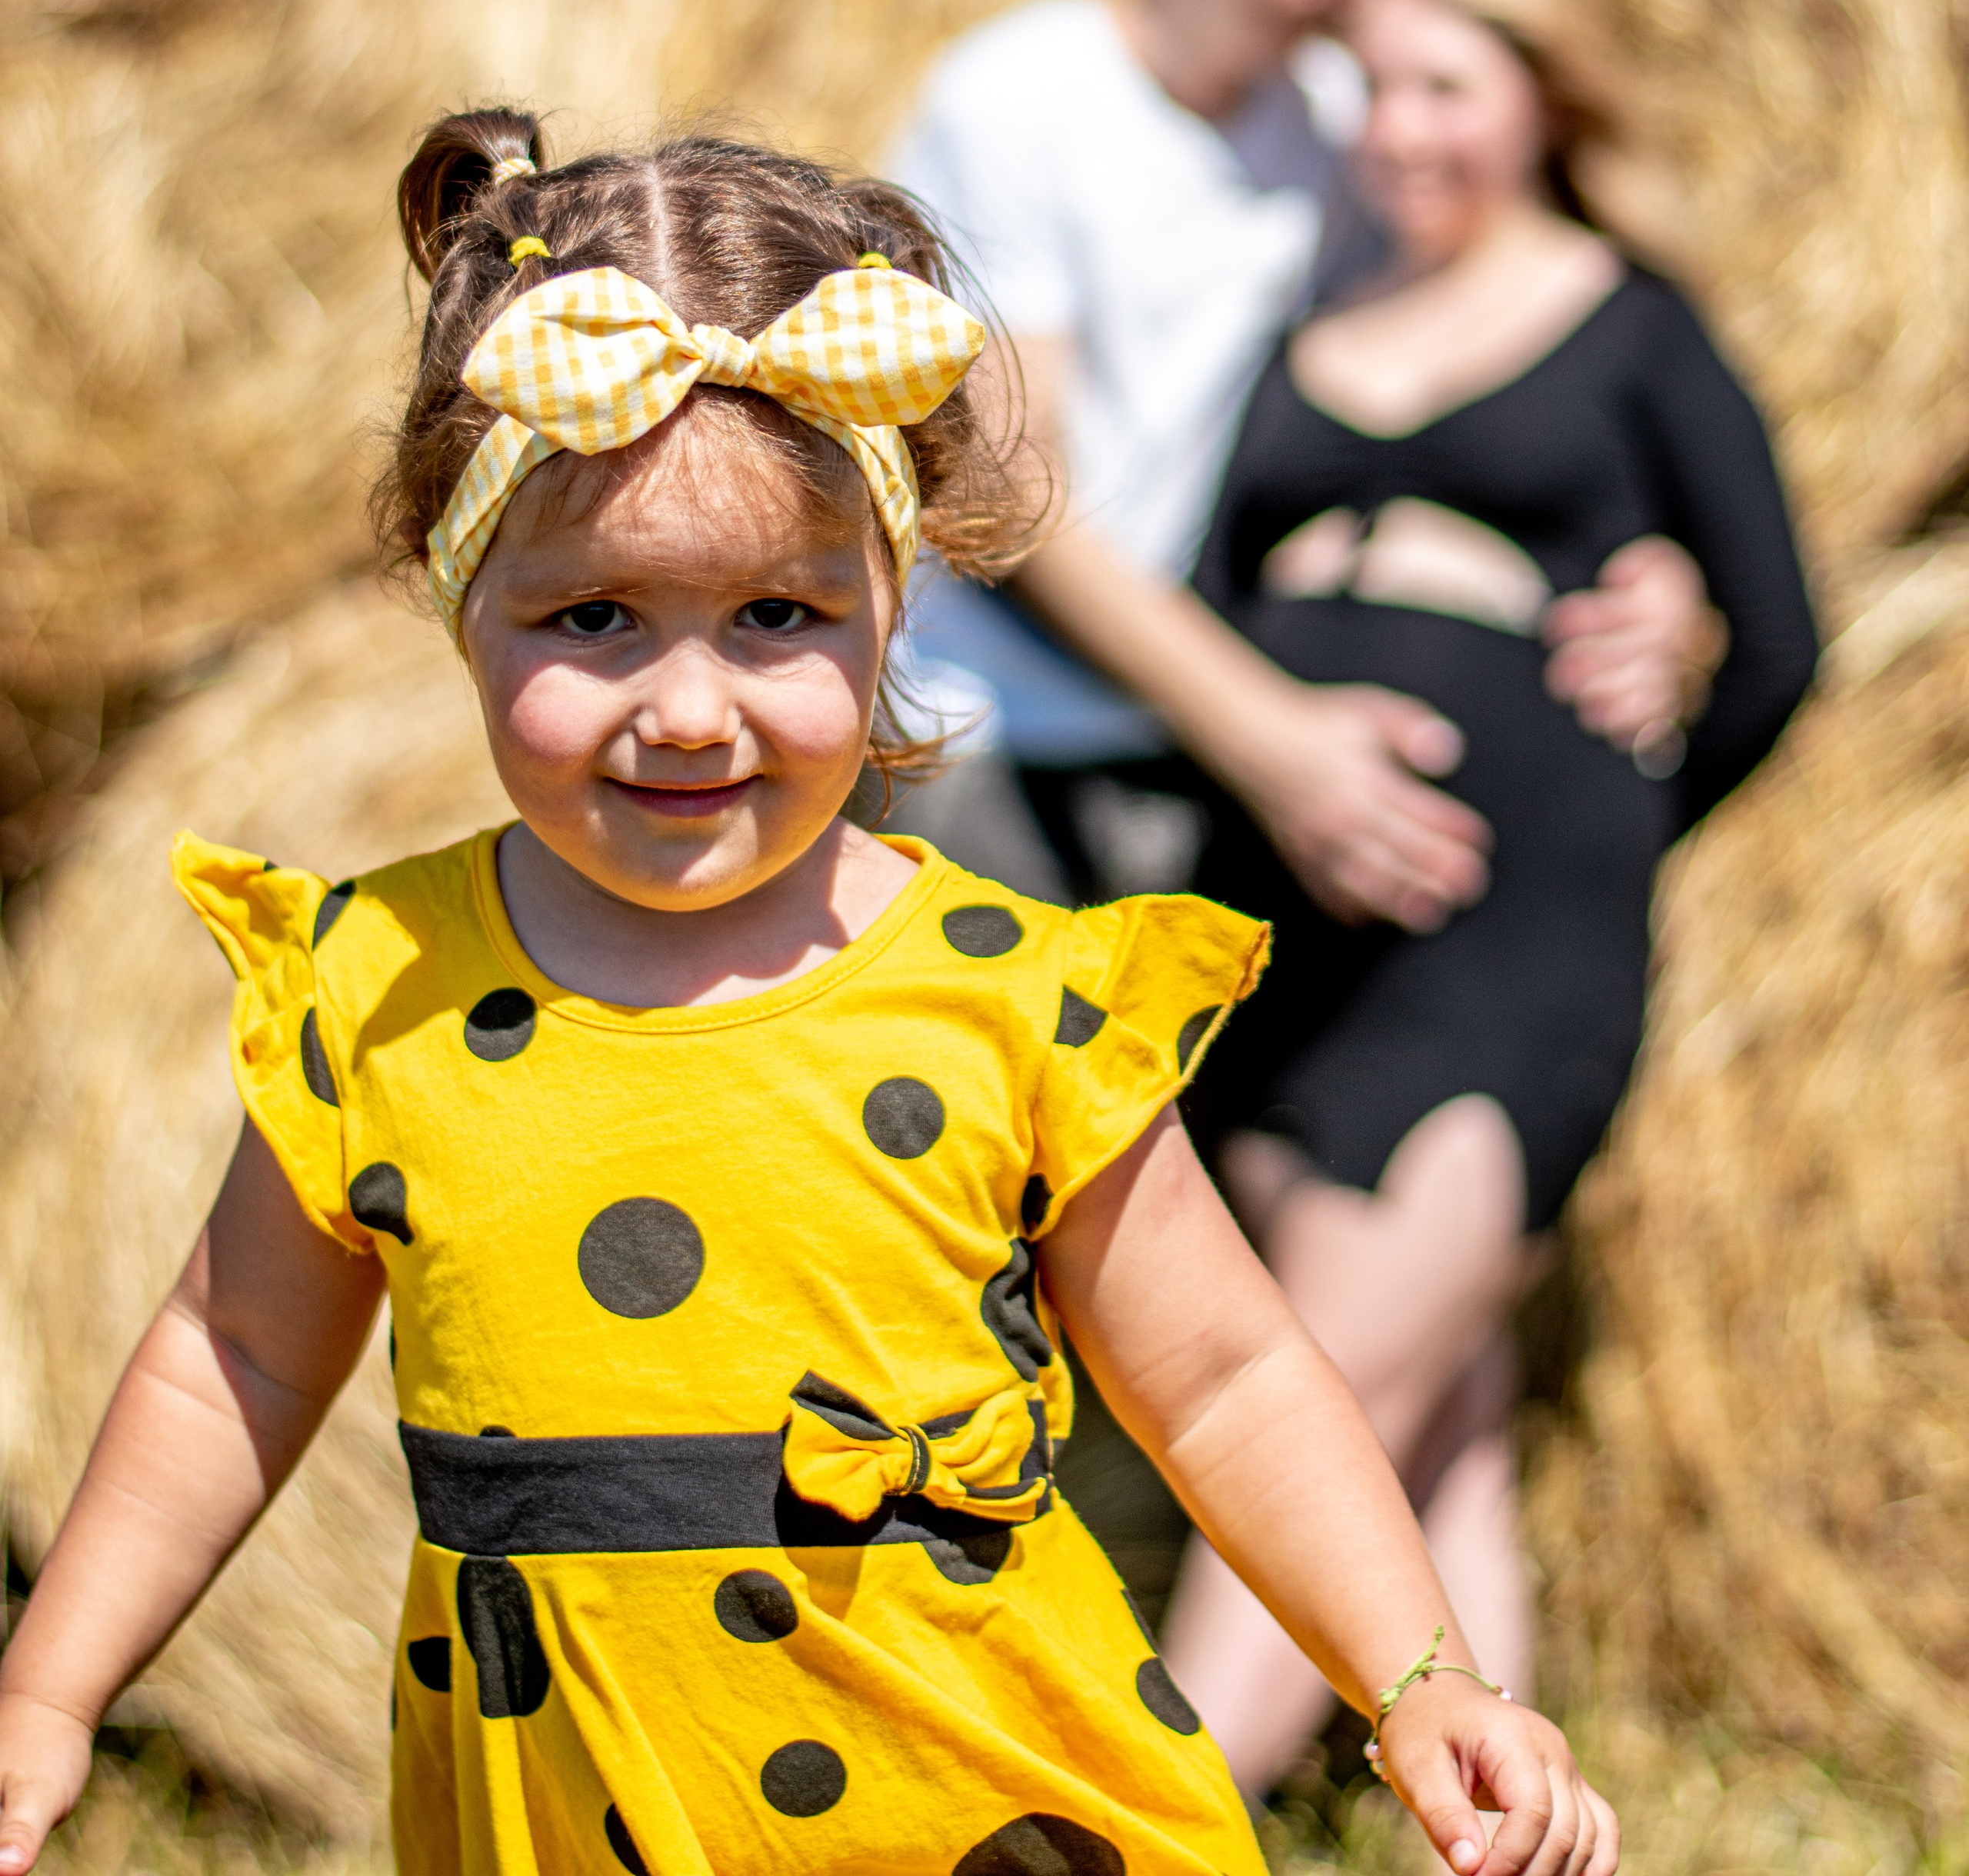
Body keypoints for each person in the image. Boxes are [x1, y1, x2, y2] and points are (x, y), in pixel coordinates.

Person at [0, 114, 1621, 1876]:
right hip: (560, 1816)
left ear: (888, 599)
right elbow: (231, 1357)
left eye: (776, 615)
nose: (689, 709)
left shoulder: (1007, 1001)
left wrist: (1413, 1675)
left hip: (976, 1804)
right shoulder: (375, 992)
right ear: (462, 598)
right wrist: (50, 1690)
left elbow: (1226, 1380)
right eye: (592, 620)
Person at [1150, 0, 1819, 1800]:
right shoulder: (1298, 321)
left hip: (1501, 944)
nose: (1397, 130)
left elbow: (1775, 643)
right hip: (1289, 944)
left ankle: (1138, 1832)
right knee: (1431, 1445)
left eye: (1443, 85)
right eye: (1368, 89)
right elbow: (1203, 600)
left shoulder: (1628, 320)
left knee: (1305, 1429)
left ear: (1539, 96)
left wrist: (1586, 809)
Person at [895, 0, 1714, 935]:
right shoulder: (1017, 98)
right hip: (997, 739)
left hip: (1195, 755)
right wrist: (1270, 740)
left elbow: (1471, 359)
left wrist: (1657, 581)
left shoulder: (1336, 124)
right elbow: (1008, 487)